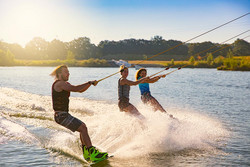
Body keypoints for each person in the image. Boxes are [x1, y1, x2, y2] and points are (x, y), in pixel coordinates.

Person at [50, 65, 108, 163]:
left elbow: (80, 90)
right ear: (59, 74)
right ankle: (93, 153)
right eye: (66, 72)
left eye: (68, 72)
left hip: (64, 115)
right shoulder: (59, 84)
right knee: (83, 128)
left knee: (83, 128)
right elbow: (76, 88)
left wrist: (89, 84)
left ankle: (86, 152)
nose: (68, 73)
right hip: (61, 116)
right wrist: (89, 82)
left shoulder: (65, 84)